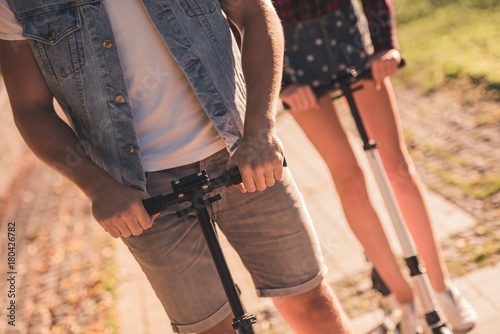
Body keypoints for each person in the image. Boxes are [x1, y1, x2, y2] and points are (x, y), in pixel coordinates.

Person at [0, 0, 354, 333]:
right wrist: (98, 187)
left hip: (240, 154)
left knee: (313, 308)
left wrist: (260, 131)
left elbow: (255, 11)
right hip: (139, 194)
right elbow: (31, 109)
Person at [273, 0, 477, 333]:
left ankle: (442, 288)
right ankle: (403, 297)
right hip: (292, 59)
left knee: (396, 167)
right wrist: (281, 83)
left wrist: (384, 46)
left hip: (348, 37)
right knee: (349, 179)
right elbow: (247, 16)